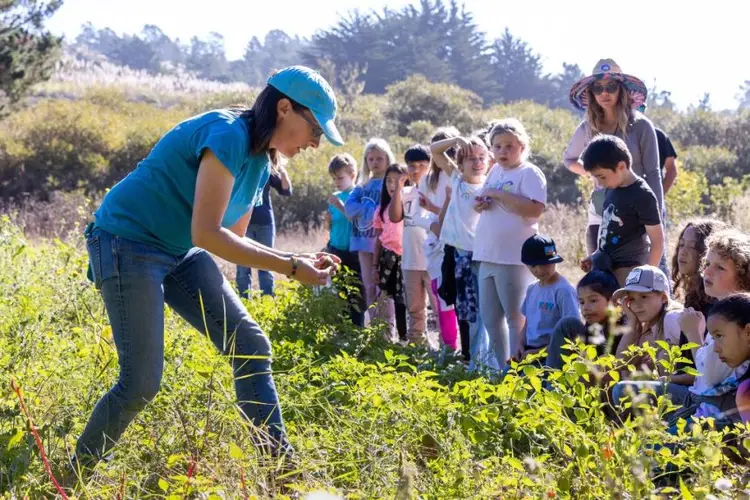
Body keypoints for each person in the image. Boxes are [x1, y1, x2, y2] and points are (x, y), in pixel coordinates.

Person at [72, 66, 343, 476]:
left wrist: (298, 261)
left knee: (250, 345)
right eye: (315, 129)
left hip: (178, 249)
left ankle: (282, 473)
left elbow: (232, 239)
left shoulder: (259, 162)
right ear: (285, 108)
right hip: (126, 240)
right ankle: (76, 471)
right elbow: (207, 232)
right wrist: (289, 267)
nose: (316, 143)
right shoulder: (228, 134)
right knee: (142, 382)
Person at [564, 59, 665, 277]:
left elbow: (653, 173)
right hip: (602, 206)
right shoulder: (588, 127)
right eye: (598, 88)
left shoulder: (641, 125)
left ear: (622, 90)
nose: (604, 93)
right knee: (599, 278)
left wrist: (657, 212)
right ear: (591, 93)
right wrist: (595, 175)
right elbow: (569, 159)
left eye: (610, 87)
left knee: (638, 276)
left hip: (637, 208)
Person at [474, 119, 547, 369]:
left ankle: (519, 373)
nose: (502, 152)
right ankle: (502, 370)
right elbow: (481, 199)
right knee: (491, 318)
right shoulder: (495, 172)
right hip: (487, 254)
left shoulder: (529, 172)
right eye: (497, 146)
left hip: (513, 257)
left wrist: (498, 195)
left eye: (509, 146)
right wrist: (480, 203)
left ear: (522, 146)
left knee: (516, 318)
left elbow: (535, 209)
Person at [431, 135, 496, 371]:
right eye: (470, 158)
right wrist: (457, 139)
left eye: (481, 158)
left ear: (489, 161)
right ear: (461, 163)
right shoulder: (457, 180)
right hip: (456, 256)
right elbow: (435, 151)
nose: (477, 163)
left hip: (480, 257)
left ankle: (483, 360)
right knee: (463, 308)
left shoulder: (491, 186)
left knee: (481, 311)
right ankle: (469, 357)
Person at [579, 135, 665, 287]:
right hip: (605, 268)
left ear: (621, 167)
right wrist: (594, 256)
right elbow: (610, 232)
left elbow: (657, 242)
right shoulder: (611, 189)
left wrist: (646, 280)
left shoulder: (642, 194)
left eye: (602, 176)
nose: (599, 182)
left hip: (628, 271)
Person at [416, 127, 460, 356]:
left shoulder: (461, 175)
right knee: (440, 295)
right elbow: (418, 213)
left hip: (460, 242)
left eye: (449, 148)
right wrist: (434, 222)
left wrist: (436, 210)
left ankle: (464, 349)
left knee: (460, 298)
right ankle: (449, 345)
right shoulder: (428, 180)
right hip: (435, 243)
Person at [389, 145, 435, 346]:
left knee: (439, 306)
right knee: (415, 307)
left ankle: (446, 346)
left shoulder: (435, 191)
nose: (416, 170)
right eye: (411, 166)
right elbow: (394, 216)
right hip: (410, 261)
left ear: (430, 166)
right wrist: (398, 189)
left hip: (433, 260)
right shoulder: (406, 192)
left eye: (422, 165)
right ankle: (417, 344)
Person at [345, 138, 395, 321]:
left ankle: (388, 329)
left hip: (384, 244)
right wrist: (370, 210)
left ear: (388, 159)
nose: (375, 162)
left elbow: (389, 212)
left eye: (379, 158)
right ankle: (373, 328)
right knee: (368, 286)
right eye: (371, 159)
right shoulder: (361, 186)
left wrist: (366, 210)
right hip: (362, 242)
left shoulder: (391, 183)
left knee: (384, 288)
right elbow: (349, 210)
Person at [514, 234, 579, 362]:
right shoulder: (532, 289)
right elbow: (528, 322)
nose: (539, 270)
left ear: (554, 261)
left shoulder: (564, 291)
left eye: (545, 263)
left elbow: (572, 334)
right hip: (530, 351)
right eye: (533, 266)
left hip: (554, 354)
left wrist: (537, 353)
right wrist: (520, 344)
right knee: (505, 375)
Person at [546, 270, 622, 370]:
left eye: (593, 301)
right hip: (587, 371)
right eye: (581, 302)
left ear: (613, 301)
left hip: (607, 378)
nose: (585, 307)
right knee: (567, 323)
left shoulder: (623, 328)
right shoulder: (592, 323)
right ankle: (552, 382)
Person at [236, 164, 292, 297]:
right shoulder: (240, 164)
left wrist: (283, 172)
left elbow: (286, 190)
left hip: (265, 223)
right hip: (242, 222)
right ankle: (244, 303)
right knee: (242, 267)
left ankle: (267, 303)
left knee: (266, 265)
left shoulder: (265, 165)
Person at [326, 153, 365, 327]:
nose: (337, 182)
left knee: (355, 295)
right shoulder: (334, 196)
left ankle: (357, 330)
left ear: (353, 175)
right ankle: (343, 331)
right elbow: (333, 226)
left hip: (354, 253)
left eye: (340, 178)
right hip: (336, 250)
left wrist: (340, 206)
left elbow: (357, 222)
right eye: (334, 178)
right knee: (339, 293)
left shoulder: (358, 195)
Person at [373, 164, 408, 342]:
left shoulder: (408, 205)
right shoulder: (381, 210)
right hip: (387, 258)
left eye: (398, 180)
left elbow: (397, 216)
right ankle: (383, 337)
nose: (392, 184)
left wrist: (399, 192)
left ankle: (404, 339)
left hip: (405, 258)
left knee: (403, 300)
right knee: (385, 298)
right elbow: (378, 240)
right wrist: (374, 267)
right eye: (389, 180)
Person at [671, 219, 728, 315]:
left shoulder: (715, 302)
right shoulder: (692, 294)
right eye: (681, 244)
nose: (683, 252)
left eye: (692, 246)